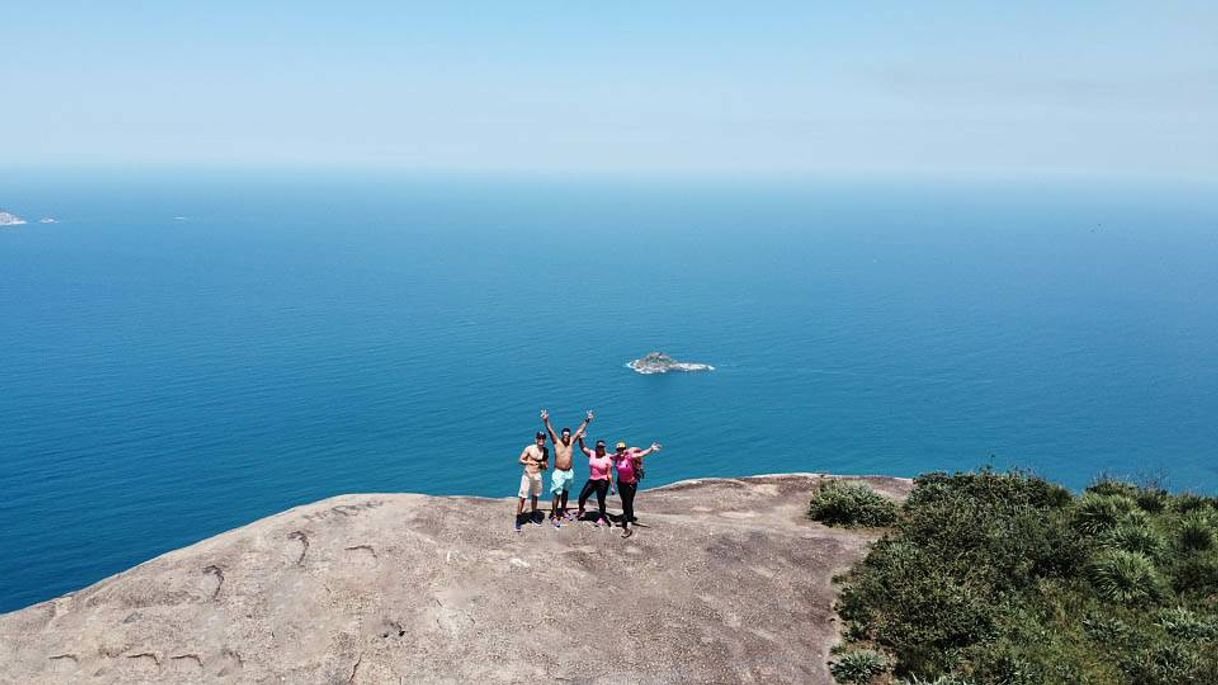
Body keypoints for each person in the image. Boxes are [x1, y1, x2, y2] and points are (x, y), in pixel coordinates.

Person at [541, 409, 594, 526]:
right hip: (558, 472)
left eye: (568, 435)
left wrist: (588, 420)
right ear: (561, 435)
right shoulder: (556, 442)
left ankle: (564, 510)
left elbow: (580, 430)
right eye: (564, 435)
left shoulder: (571, 442)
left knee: (566, 492)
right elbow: (550, 430)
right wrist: (546, 420)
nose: (566, 437)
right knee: (557, 494)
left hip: (569, 472)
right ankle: (554, 515)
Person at [612, 441, 661, 538]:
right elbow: (605, 456)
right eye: (618, 449)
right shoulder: (616, 457)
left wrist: (651, 449)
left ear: (625, 449)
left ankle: (628, 525)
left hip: (631, 483)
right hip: (621, 483)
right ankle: (625, 519)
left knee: (629, 503)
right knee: (624, 502)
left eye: (622, 449)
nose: (620, 451)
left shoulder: (630, 457)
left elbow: (642, 454)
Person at [515, 431, 549, 532]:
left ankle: (534, 515)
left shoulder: (546, 451)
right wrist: (529, 462)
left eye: (543, 438)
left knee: (535, 496)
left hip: (537, 475)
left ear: (545, 440)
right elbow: (520, 460)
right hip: (528, 475)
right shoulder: (529, 448)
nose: (541, 440)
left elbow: (546, 467)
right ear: (536, 439)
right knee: (522, 497)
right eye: (539, 438)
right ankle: (518, 518)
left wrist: (544, 465)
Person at [576, 437, 614, 527]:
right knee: (582, 497)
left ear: (604, 447)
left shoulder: (608, 458)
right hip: (593, 479)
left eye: (602, 447)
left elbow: (609, 473)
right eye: (599, 447)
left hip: (603, 481)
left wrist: (612, 486)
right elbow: (583, 448)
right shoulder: (592, 454)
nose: (600, 449)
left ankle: (602, 517)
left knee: (601, 500)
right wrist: (580, 439)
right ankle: (581, 510)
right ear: (596, 447)